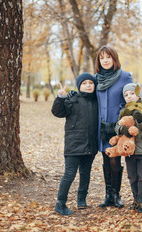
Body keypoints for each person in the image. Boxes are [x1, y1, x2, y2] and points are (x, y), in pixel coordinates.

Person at [95, 45, 142, 208]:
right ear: (99, 61)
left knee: (115, 160)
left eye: (108, 57)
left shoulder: (124, 76)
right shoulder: (97, 78)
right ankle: (108, 195)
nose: (105, 60)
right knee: (106, 158)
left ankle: (116, 195)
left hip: (119, 125)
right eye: (102, 58)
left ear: (114, 59)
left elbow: (133, 96)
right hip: (102, 126)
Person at [51, 72, 98, 216]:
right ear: (79, 86)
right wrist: (61, 97)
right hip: (74, 144)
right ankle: (60, 203)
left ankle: (81, 199)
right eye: (84, 83)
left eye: (91, 83)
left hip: (91, 144)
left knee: (86, 173)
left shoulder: (97, 101)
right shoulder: (73, 99)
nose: (88, 86)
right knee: (69, 174)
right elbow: (58, 112)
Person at [118, 83, 142, 213]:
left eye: (132, 93)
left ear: (138, 94)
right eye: (126, 95)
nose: (129, 96)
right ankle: (136, 199)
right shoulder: (124, 111)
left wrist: (141, 120)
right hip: (129, 150)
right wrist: (121, 129)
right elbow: (117, 126)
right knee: (132, 177)